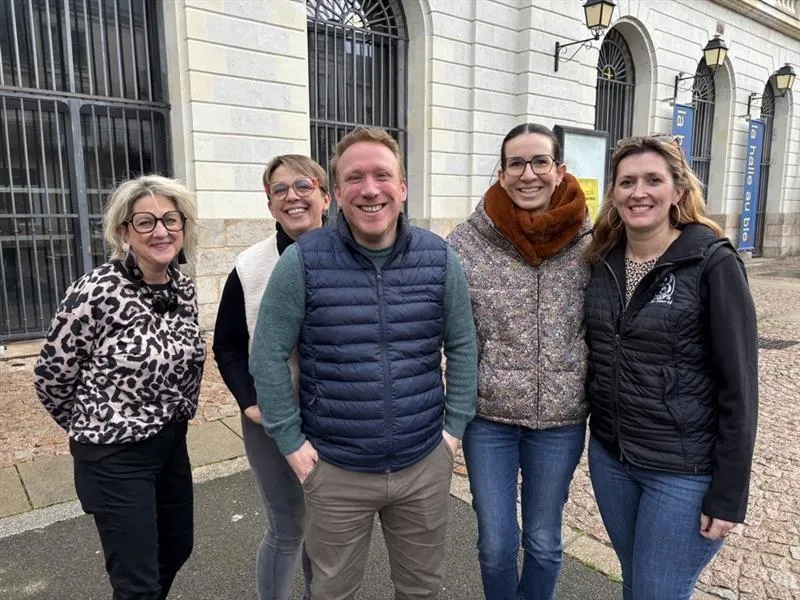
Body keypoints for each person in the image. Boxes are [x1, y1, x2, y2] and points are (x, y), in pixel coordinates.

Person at [249, 127, 478, 600]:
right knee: (333, 592)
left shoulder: (439, 258)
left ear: (403, 187)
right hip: (335, 468)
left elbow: (462, 344)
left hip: (422, 462)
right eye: (355, 178)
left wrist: (453, 431)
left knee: (422, 589)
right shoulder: (303, 262)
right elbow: (267, 353)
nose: (370, 189)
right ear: (336, 194)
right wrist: (290, 442)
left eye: (382, 176)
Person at [583, 136, 758, 600]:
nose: (638, 192)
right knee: (635, 580)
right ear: (614, 192)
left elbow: (740, 386)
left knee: (657, 591)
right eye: (627, 182)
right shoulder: (602, 260)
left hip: (682, 471)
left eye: (653, 180)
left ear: (678, 190)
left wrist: (729, 493)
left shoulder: (711, 262)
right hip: (612, 458)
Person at [33, 175, 206, 600]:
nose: (161, 231)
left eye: (170, 219)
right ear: (123, 231)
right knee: (136, 582)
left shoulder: (182, 289)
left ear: (183, 226)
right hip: (114, 457)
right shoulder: (96, 290)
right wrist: (97, 423)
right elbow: (51, 375)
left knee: (176, 548)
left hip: (170, 445)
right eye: (145, 222)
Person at [447, 123, 592, 600]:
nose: (528, 174)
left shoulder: (592, 242)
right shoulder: (466, 243)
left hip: (560, 421)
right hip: (489, 420)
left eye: (539, 162)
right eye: (516, 163)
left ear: (559, 169)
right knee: (496, 544)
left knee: (545, 542)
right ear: (502, 173)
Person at [213, 154, 330, 600]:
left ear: (325, 196)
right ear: (269, 204)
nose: (291, 197)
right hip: (272, 418)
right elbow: (227, 344)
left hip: (336, 415)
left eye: (303, 186)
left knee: (326, 529)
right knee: (288, 526)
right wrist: (249, 402)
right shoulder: (250, 266)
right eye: (279, 189)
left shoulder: (352, 253)